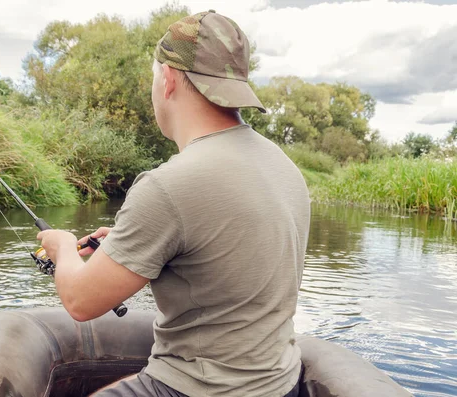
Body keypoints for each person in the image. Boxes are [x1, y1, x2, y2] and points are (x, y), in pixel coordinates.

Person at [37, 10, 310, 397]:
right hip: (281, 384)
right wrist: (140, 246)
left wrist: (62, 246)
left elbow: (80, 302)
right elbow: (228, 256)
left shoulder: (168, 185)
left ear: (167, 79)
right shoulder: (282, 166)